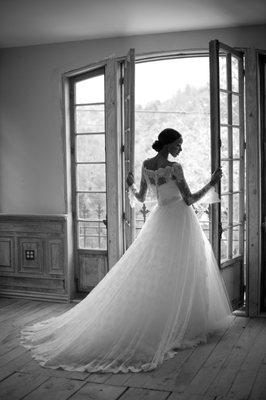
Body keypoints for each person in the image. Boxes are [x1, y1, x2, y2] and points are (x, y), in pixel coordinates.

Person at [20, 128, 232, 374]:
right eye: (178, 144)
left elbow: (141, 197)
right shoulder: (175, 168)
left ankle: (171, 318)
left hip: (161, 219)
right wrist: (212, 182)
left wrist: (130, 187)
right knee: (182, 269)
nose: (180, 149)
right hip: (179, 221)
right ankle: (180, 323)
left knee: (161, 271)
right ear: (168, 144)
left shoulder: (146, 166)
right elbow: (189, 199)